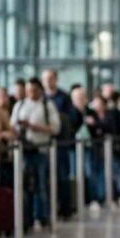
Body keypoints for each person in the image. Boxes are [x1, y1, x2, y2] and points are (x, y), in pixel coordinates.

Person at [11, 78, 61, 229]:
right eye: (28, 90)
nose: (30, 93)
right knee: (24, 184)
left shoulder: (47, 106)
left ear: (40, 90)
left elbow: (55, 128)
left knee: (40, 184)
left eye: (33, 90)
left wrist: (33, 126)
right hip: (23, 150)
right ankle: (25, 217)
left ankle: (41, 216)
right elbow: (12, 125)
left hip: (40, 150)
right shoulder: (20, 105)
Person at [42, 69, 77, 218]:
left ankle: (65, 208)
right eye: (45, 79)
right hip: (44, 143)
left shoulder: (64, 97)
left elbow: (71, 119)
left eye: (50, 78)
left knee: (63, 177)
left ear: (55, 79)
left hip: (61, 144)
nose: (48, 81)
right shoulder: (41, 98)